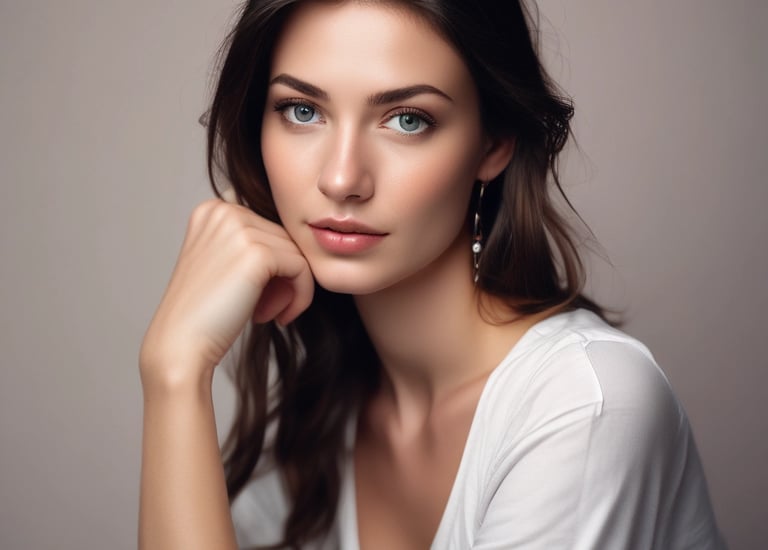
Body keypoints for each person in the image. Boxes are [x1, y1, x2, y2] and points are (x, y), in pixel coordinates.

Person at [138, 1, 725, 548]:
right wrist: (174, 374)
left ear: (493, 142)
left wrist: (175, 377)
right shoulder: (312, 437)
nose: (342, 179)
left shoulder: (585, 402)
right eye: (303, 111)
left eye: (408, 120)